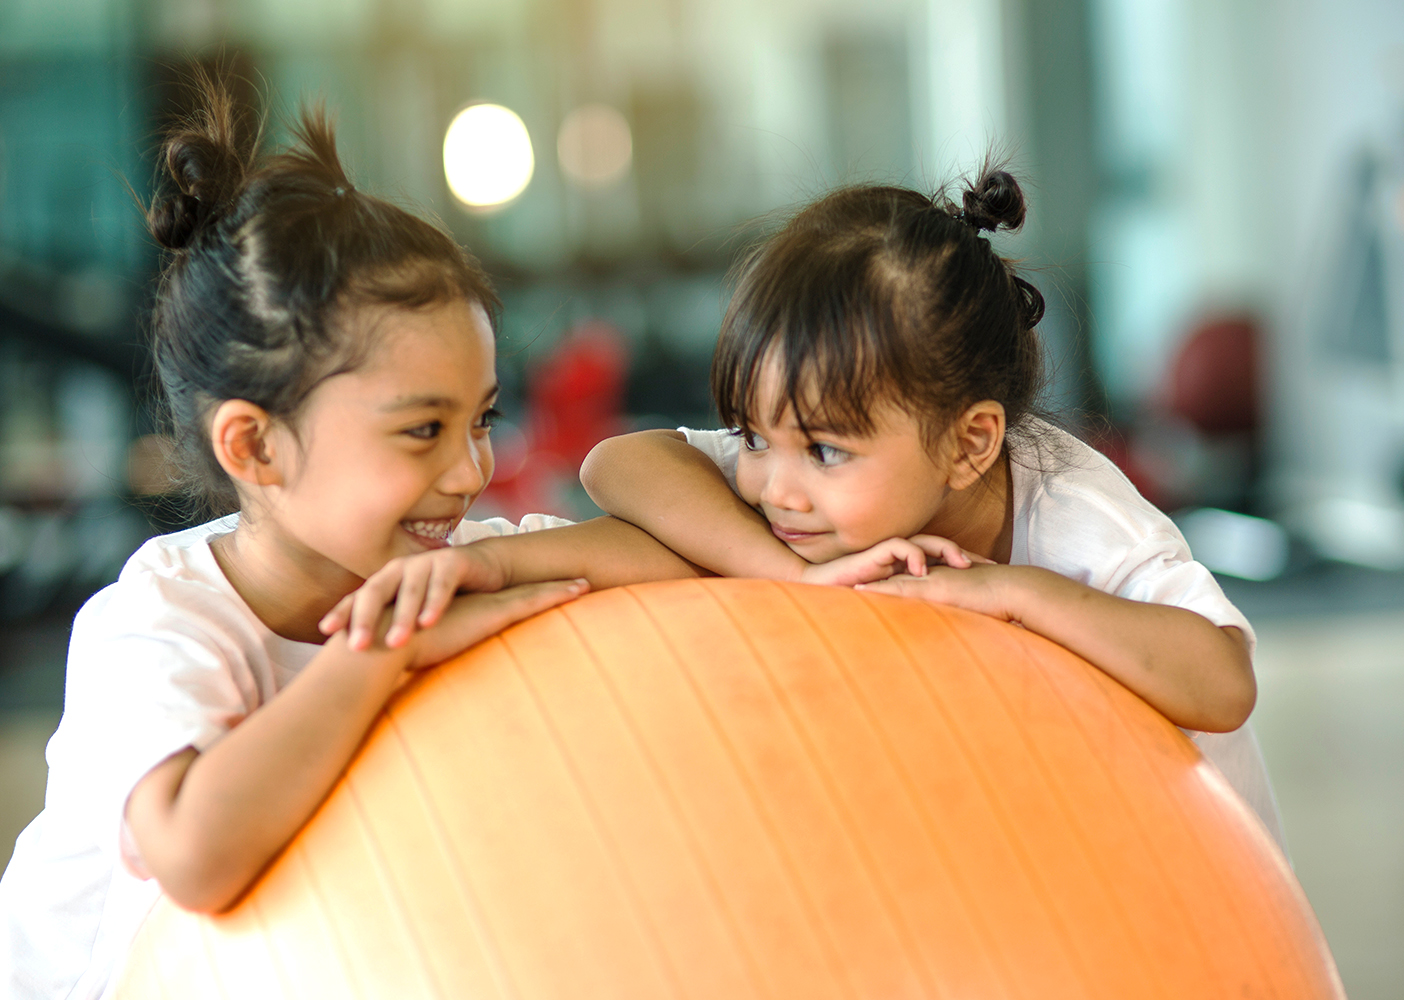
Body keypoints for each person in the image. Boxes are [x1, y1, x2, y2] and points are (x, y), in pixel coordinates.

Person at [0, 82, 697, 999]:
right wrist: (378, 655)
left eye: (482, 419)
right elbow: (195, 858)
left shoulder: (429, 560)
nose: (470, 471)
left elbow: (672, 565)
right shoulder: (157, 623)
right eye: (422, 431)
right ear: (255, 446)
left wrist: (489, 563)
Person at [578, 169, 1287, 849]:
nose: (775, 489)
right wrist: (782, 571)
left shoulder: (1076, 513)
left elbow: (1223, 685)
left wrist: (1009, 589)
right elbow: (615, 464)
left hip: (1193, 884)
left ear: (969, 443)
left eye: (823, 451)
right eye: (753, 436)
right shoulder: (810, 469)